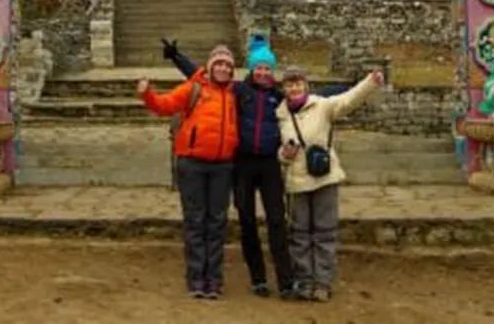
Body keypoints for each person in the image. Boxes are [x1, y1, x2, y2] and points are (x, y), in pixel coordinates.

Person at [162, 34, 294, 299]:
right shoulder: (239, 90)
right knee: (246, 221)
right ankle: (257, 278)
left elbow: (308, 100)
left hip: (269, 163)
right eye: (258, 67)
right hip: (242, 163)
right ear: (251, 70)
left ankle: (286, 280)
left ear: (273, 71)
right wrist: (177, 57)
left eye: (267, 68)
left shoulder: (279, 97)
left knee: (277, 220)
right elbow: (202, 74)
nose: (263, 72)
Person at [137, 45, 238, 300]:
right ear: (210, 67)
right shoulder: (193, 89)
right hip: (193, 164)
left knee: (217, 223)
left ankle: (214, 279)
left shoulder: (235, 94)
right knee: (195, 221)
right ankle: (196, 278)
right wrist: (147, 94)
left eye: (227, 65)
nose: (223, 68)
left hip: (222, 166)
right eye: (219, 64)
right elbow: (164, 105)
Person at [277, 65, 384, 302]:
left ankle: (322, 282)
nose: (294, 88)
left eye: (298, 83)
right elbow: (277, 150)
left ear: (306, 86)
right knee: (299, 234)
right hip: (297, 182)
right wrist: (283, 154)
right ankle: (304, 280)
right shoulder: (280, 115)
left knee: (324, 233)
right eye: (290, 84)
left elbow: (348, 100)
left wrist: (369, 82)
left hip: (324, 179)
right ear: (284, 88)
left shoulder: (322, 106)